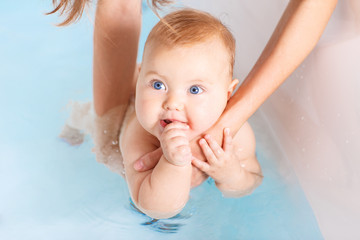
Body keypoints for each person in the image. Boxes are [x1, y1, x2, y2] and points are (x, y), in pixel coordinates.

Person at [48, 0, 337, 185]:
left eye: (195, 90)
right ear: (139, 82)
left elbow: (250, 181)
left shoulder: (236, 139)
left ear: (228, 93)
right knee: (93, 120)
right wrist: (108, 126)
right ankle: (74, 126)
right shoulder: (139, 132)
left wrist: (231, 174)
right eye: (158, 85)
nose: (173, 103)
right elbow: (155, 208)